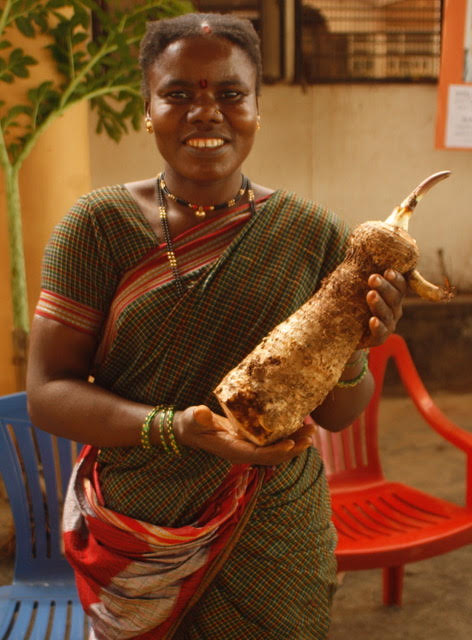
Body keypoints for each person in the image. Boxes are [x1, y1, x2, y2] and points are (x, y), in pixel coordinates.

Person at [26, 12, 406, 640]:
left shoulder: (312, 233)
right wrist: (176, 429)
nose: (206, 112)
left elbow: (339, 415)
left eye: (231, 93)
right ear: (148, 110)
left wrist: (356, 346)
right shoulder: (96, 227)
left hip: (273, 529)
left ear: (257, 109)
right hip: (142, 529)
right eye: (178, 93)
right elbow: (48, 394)